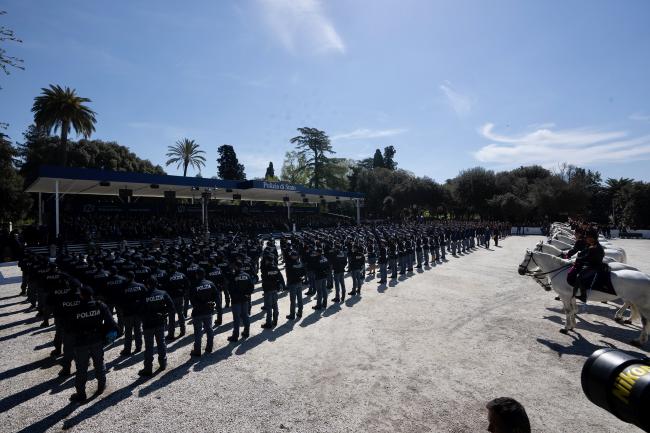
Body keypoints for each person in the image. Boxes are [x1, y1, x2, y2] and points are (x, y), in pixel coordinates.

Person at [69, 285, 118, 402]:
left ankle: (81, 394)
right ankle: (101, 386)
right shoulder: (100, 305)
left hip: (81, 341)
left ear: (81, 295)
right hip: (97, 339)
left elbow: (69, 327)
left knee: (81, 368)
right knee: (99, 363)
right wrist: (103, 333)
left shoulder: (76, 309)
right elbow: (111, 323)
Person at [139, 276, 175, 375]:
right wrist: (162, 313)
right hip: (159, 322)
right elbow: (171, 307)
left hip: (148, 325)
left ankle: (148, 368)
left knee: (149, 347)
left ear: (147, 285)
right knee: (161, 343)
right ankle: (163, 364)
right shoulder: (163, 293)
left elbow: (139, 311)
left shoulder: (143, 296)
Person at [189, 269, 218, 356]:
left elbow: (192, 300)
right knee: (209, 329)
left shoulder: (194, 285)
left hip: (198, 312)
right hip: (208, 311)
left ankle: (197, 351)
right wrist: (211, 303)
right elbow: (216, 295)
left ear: (197, 275)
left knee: (198, 332)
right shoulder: (210, 283)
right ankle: (209, 347)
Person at [120, 271, 146, 356]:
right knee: (138, 330)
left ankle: (127, 350)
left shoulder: (122, 288)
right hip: (138, 313)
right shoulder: (141, 286)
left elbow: (120, 301)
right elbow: (145, 299)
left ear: (127, 277)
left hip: (128, 314)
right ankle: (138, 347)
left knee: (128, 332)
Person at [227, 260, 253, 342]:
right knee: (245, 315)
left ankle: (235, 336)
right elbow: (251, 286)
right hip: (245, 299)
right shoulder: (247, 275)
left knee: (236, 318)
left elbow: (230, 288)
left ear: (236, 267)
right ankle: (246, 332)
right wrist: (247, 294)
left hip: (236, 300)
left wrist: (233, 296)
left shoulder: (233, 276)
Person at [260, 255, 285, 328]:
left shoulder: (265, 268)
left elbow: (263, 277)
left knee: (269, 307)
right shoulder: (275, 268)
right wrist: (283, 286)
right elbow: (280, 277)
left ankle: (268, 323)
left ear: (267, 260)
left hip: (268, 290)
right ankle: (275, 320)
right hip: (275, 289)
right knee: (275, 305)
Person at [285, 250, 305, 319]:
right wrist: (300, 276)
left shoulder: (289, 264)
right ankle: (300, 312)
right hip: (299, 282)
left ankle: (292, 314)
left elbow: (288, 274)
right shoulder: (299, 263)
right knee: (300, 299)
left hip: (293, 283)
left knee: (293, 300)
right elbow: (304, 272)